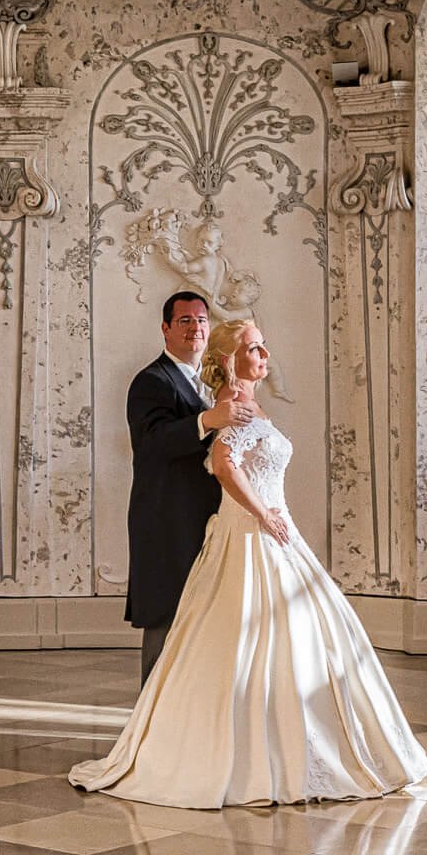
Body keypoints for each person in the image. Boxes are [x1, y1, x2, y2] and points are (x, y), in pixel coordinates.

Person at [72, 319, 427, 808]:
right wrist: (263, 514)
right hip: (251, 535)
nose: (264, 353)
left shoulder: (246, 404)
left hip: (268, 533)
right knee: (243, 640)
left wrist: (269, 514)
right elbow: (223, 464)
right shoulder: (232, 408)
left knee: (293, 638)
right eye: (253, 347)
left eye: (263, 345)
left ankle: (284, 745)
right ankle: (252, 756)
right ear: (228, 361)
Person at [124, 291, 254, 683]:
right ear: (165, 328)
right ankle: (151, 722)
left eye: (201, 320)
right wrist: (209, 420)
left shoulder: (215, 384)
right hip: (167, 520)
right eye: (184, 320)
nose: (194, 328)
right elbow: (152, 443)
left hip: (209, 520)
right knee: (168, 617)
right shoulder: (150, 381)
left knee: (204, 616)